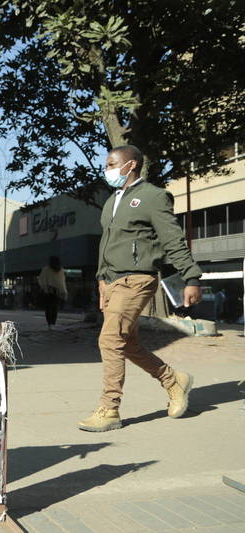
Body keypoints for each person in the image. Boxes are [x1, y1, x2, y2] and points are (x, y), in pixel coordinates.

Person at [78, 144, 202, 432]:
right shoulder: (112, 201)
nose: (107, 170)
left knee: (110, 340)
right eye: (106, 165)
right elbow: (105, 243)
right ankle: (174, 380)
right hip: (112, 281)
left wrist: (191, 278)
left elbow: (173, 239)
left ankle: (109, 409)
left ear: (130, 165)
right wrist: (101, 279)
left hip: (137, 278)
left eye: (111, 164)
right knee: (128, 343)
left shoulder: (153, 197)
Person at [38, 255, 68, 330]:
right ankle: (53, 324)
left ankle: (49, 324)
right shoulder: (61, 270)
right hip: (57, 292)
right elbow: (61, 282)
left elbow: (42, 280)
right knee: (54, 308)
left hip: (48, 291)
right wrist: (64, 291)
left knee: (48, 308)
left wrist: (44, 287)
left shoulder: (46, 269)